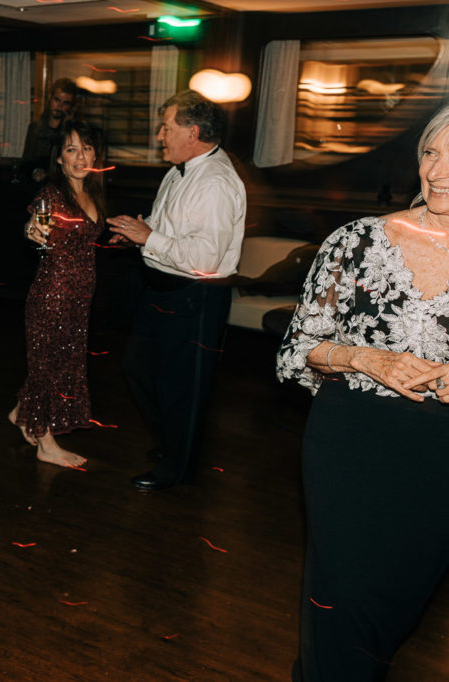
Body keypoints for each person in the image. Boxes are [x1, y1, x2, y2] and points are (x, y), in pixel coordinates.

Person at [277, 104, 449, 680]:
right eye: (430, 152)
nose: (438, 171)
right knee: (341, 596)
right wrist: (364, 357)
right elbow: (298, 349)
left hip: (439, 457)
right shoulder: (356, 241)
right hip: (349, 441)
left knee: (399, 599)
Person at [107, 89, 245, 491]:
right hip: (162, 289)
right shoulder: (178, 169)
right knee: (140, 369)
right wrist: (137, 235)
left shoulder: (217, 182)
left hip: (195, 295)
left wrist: (149, 237)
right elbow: (166, 227)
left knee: (182, 386)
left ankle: (178, 469)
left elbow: (205, 256)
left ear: (193, 132)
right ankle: (171, 444)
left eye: (166, 127)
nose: (159, 136)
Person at [12, 121, 108, 468]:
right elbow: (35, 225)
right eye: (71, 149)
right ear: (60, 160)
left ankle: (21, 412)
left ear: (96, 155)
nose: (80, 156)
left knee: (59, 363)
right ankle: (45, 442)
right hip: (53, 296)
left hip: (79, 299)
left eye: (86, 148)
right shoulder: (52, 194)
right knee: (46, 368)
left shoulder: (94, 191)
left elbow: (87, 240)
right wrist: (31, 229)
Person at [21, 78, 78, 165]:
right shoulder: (34, 128)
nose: (60, 106)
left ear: (70, 106)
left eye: (65, 103)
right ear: (50, 97)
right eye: (57, 100)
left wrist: (67, 127)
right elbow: (26, 162)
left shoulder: (72, 132)